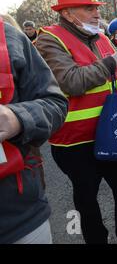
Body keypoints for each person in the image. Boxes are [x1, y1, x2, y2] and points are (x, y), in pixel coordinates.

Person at [35, 0, 117, 244]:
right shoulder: (48, 40)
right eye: (88, 8)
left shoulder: (103, 38)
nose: (96, 13)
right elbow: (70, 81)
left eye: (96, 7)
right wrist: (113, 60)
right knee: (87, 203)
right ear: (68, 13)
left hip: (114, 133)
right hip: (75, 143)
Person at [0, 15, 68, 244]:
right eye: (88, 9)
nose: (96, 15)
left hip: (19, 220)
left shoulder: (9, 39)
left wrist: (17, 118)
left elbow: (55, 103)